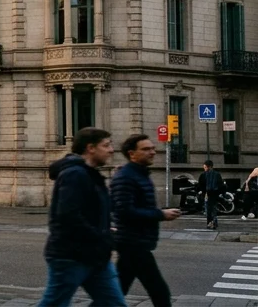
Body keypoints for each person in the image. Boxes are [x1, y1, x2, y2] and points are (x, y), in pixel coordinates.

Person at [36, 127, 125, 307]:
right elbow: (68, 217)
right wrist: (101, 235)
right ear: (90, 148)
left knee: (114, 304)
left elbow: (93, 210)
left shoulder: (91, 174)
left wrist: (106, 229)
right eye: (106, 145)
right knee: (55, 303)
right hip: (71, 255)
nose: (111, 150)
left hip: (95, 255)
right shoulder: (74, 174)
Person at [111, 134, 180, 307]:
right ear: (132, 154)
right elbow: (124, 211)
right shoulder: (127, 177)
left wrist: (159, 213)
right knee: (159, 292)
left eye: (153, 148)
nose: (152, 152)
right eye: (146, 149)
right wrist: (161, 215)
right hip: (133, 242)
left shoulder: (139, 174)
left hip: (136, 242)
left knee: (116, 292)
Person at [202, 160, 224, 230]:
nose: (204, 169)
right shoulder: (217, 174)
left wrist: (202, 192)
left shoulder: (204, 174)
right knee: (213, 209)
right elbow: (221, 185)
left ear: (209, 167)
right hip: (215, 194)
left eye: (205, 167)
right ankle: (214, 222)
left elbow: (202, 185)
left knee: (208, 210)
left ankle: (210, 223)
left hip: (208, 194)